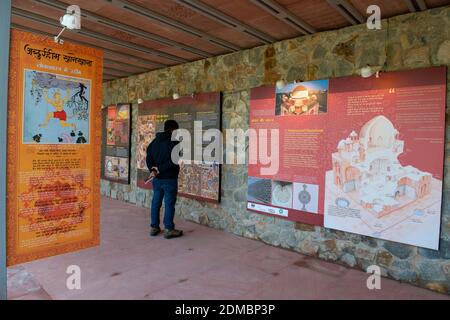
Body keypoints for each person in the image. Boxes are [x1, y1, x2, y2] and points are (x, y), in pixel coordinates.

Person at [146, 120, 183, 239]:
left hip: (157, 179)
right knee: (169, 204)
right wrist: (160, 169)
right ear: (172, 130)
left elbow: (148, 158)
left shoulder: (154, 142)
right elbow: (174, 161)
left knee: (156, 202)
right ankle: (169, 229)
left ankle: (154, 227)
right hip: (170, 178)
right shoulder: (175, 143)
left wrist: (153, 170)